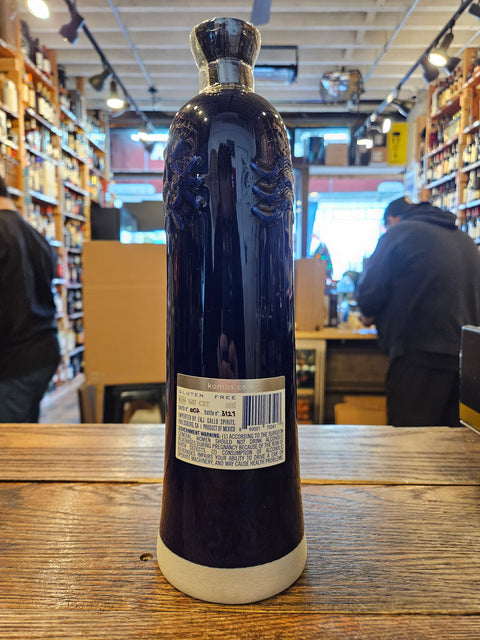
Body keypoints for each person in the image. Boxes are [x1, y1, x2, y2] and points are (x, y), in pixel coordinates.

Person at [357, 196, 480, 427]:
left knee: (409, 442)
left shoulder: (398, 233)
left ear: (392, 219)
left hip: (418, 359)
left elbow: (368, 297)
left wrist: (369, 314)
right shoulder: (465, 239)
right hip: (469, 365)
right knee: (456, 444)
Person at [0, 176, 61, 422]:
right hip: (44, 349)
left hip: (13, 359)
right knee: (26, 431)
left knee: (8, 440)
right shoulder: (37, 237)